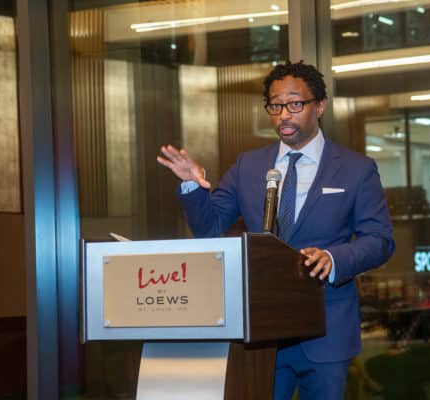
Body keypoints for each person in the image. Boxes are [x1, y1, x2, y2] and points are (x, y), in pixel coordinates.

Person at [157, 61, 395, 400]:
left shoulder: (357, 169)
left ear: (320, 106)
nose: (284, 114)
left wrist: (334, 258)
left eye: (295, 104)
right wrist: (192, 187)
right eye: (275, 105)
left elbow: (380, 240)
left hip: (326, 330)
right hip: (262, 332)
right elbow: (210, 229)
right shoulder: (248, 166)